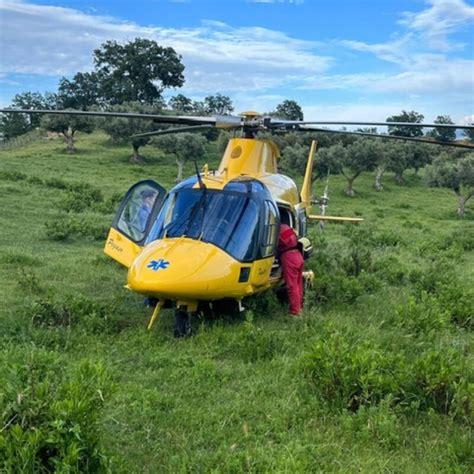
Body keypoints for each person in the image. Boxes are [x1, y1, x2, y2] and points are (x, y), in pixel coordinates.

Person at [277, 224, 304, 316]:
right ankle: (299, 308)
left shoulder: (275, 229)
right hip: (298, 256)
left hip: (289, 257)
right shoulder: (286, 227)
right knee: (298, 285)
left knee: (292, 286)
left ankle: (295, 311)